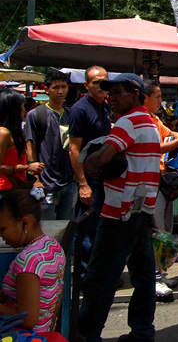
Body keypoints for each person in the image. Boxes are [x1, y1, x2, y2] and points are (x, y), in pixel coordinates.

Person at [78, 74, 160, 342]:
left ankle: (88, 334)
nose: (111, 97)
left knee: (101, 275)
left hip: (119, 211)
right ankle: (142, 331)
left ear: (135, 93)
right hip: (142, 209)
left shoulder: (128, 122)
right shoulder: (148, 121)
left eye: (118, 92)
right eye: (109, 93)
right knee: (144, 274)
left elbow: (103, 157)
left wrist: (89, 162)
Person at [0, 189, 66, 333]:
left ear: (26, 222)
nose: (2, 236)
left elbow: (28, 319)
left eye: (3, 229)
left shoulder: (28, 262)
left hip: (23, 335)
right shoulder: (52, 246)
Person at [68, 66, 110, 283]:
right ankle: (84, 278)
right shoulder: (80, 109)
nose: (101, 85)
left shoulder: (104, 107)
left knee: (100, 230)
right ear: (86, 85)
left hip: (104, 178)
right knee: (87, 230)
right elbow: (74, 149)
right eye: (96, 82)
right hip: (89, 180)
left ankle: (95, 274)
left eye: (104, 81)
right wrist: (83, 183)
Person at [143, 81, 178, 302]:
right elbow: (154, 148)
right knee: (156, 229)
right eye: (156, 97)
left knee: (164, 229)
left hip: (161, 179)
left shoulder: (155, 119)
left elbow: (173, 136)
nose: (160, 101)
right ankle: (155, 276)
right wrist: (173, 143)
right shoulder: (143, 121)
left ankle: (161, 273)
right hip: (149, 181)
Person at [25, 70, 76, 220]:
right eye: (56, 87)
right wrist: (36, 177)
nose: (60, 91)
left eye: (64, 87)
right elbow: (30, 143)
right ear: (47, 89)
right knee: (47, 226)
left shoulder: (70, 114)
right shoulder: (36, 115)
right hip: (46, 182)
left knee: (65, 225)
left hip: (68, 181)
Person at [0, 90, 44, 191]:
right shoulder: (3, 133)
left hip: (15, 188)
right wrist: (26, 167)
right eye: (23, 107)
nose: (25, 110)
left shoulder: (15, 133)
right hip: (5, 191)